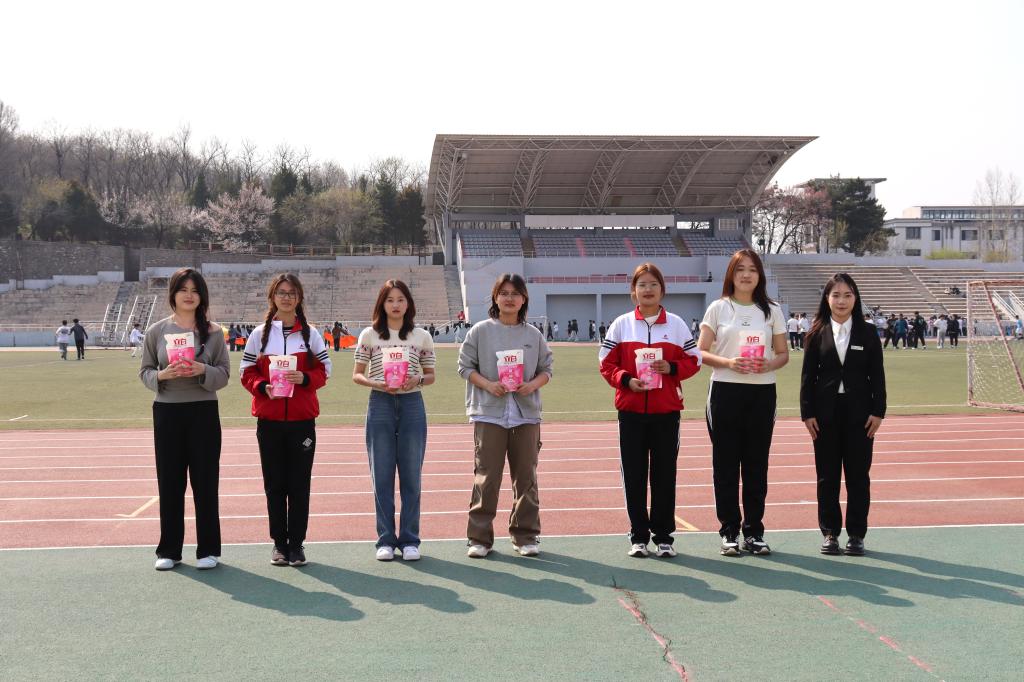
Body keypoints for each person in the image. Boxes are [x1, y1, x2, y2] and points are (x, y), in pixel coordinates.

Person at [599, 262, 701, 558]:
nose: (647, 289)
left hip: (666, 412)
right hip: (631, 412)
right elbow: (605, 363)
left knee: (664, 475)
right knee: (633, 475)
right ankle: (638, 536)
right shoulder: (621, 325)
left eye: (653, 284)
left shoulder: (676, 325)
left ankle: (664, 537)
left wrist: (672, 367)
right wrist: (626, 380)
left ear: (662, 290)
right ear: (633, 291)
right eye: (641, 284)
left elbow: (694, 360)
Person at [139, 268, 230, 571]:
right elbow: (145, 371)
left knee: (205, 482)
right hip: (168, 411)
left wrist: (203, 370)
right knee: (170, 482)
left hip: (203, 411)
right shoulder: (157, 332)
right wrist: (162, 375)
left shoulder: (214, 333)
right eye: (183, 289)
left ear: (202, 296)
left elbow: (224, 375)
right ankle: (169, 550)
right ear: (173, 295)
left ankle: (208, 550)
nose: (189, 295)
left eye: (195, 290)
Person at [698, 249, 788, 556]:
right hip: (725, 391)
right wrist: (728, 362)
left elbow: (783, 354)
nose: (746, 275)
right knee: (725, 465)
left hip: (761, 393)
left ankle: (754, 532)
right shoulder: (718, 308)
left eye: (752, 269)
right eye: (740, 270)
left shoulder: (772, 310)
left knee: (756, 465)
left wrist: (768, 365)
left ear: (760, 275)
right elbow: (700, 352)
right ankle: (729, 532)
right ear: (731, 275)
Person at [458, 273, 552, 558]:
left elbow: (546, 370)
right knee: (486, 477)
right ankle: (479, 538)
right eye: (504, 293)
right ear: (495, 298)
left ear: (524, 299)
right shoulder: (480, 331)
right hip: (489, 414)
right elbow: (465, 367)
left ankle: (525, 536)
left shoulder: (533, 335)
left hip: (526, 415)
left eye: (515, 293)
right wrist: (489, 385)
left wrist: (531, 385)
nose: (509, 298)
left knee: (526, 478)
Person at [241, 274, 332, 568]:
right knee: (274, 484)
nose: (286, 297)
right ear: (272, 297)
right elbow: (246, 372)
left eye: (292, 293)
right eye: (281, 292)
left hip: (302, 420)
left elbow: (325, 370)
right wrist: (262, 386)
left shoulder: (310, 334)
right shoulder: (259, 335)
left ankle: (297, 545)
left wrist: (304, 377)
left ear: (299, 298)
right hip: (269, 420)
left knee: (299, 485)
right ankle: (279, 544)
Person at [800, 273, 886, 557]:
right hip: (824, 415)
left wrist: (878, 411)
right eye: (836, 295)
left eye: (847, 295)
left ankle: (857, 535)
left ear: (855, 298)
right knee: (827, 477)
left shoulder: (868, 333)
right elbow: (807, 378)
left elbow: (877, 376)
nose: (841, 301)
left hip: (860, 416)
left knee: (858, 476)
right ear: (827, 299)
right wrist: (807, 413)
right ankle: (830, 533)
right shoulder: (815, 333)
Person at [353, 279, 436, 561]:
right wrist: (375, 383)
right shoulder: (370, 335)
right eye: (390, 300)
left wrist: (418, 379)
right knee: (382, 475)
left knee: (412, 475)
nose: (396, 305)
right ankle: (386, 540)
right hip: (381, 403)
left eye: (401, 299)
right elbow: (357, 374)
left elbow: (431, 375)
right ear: (382, 304)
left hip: (412, 403)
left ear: (408, 303)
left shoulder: (421, 336)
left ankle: (410, 540)